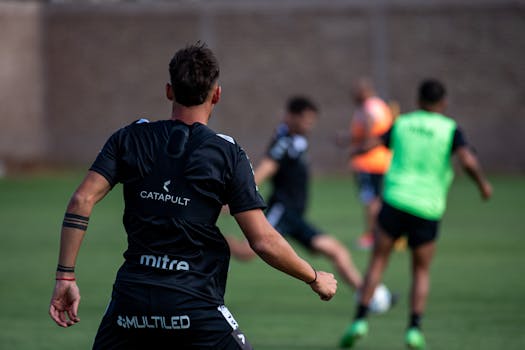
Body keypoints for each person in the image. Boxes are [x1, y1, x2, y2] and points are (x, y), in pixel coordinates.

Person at [48, 42, 337, 350]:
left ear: (169, 91)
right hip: (193, 304)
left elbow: (82, 200)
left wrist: (65, 277)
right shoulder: (228, 153)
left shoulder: (130, 138)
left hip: (130, 304)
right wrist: (313, 276)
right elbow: (263, 240)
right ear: (217, 95)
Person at [339, 79, 493, 349]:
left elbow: (372, 143)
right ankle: (414, 329)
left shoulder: (403, 123)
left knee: (378, 261)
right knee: (420, 270)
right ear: (443, 103)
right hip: (427, 206)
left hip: (395, 199)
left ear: (418, 100)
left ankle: (360, 320)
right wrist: (483, 185)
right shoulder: (450, 129)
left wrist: (354, 149)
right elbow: (467, 160)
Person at [227, 96, 362, 293]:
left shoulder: (297, 139)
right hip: (281, 211)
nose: (309, 125)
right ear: (291, 117)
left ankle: (370, 297)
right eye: (306, 120)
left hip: (295, 217)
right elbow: (266, 168)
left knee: (337, 251)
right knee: (245, 253)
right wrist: (239, 193)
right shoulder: (282, 142)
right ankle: (217, 241)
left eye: (312, 121)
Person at [337, 78, 394, 250]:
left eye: (357, 91)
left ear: (365, 91)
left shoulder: (369, 108)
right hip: (382, 160)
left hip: (369, 161)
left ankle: (372, 236)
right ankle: (383, 234)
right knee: (379, 198)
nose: (353, 95)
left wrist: (354, 147)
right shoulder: (379, 105)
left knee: (371, 200)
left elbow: (369, 133)